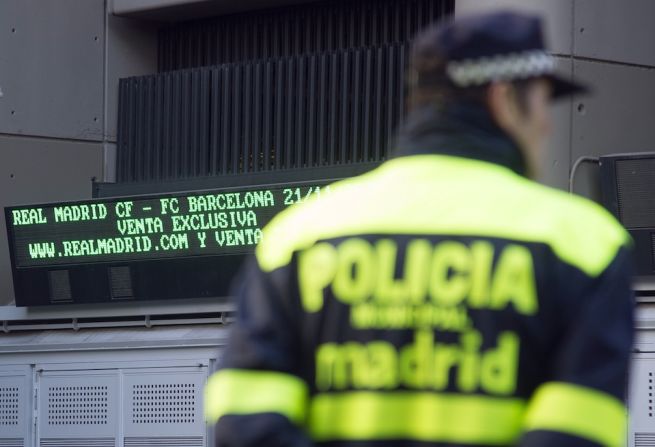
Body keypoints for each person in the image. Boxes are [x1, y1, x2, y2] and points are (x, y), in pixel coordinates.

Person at [205, 10, 634, 447]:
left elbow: (245, 422)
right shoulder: (585, 245)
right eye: (543, 103)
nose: (546, 125)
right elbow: (577, 434)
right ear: (504, 100)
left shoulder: (297, 236)